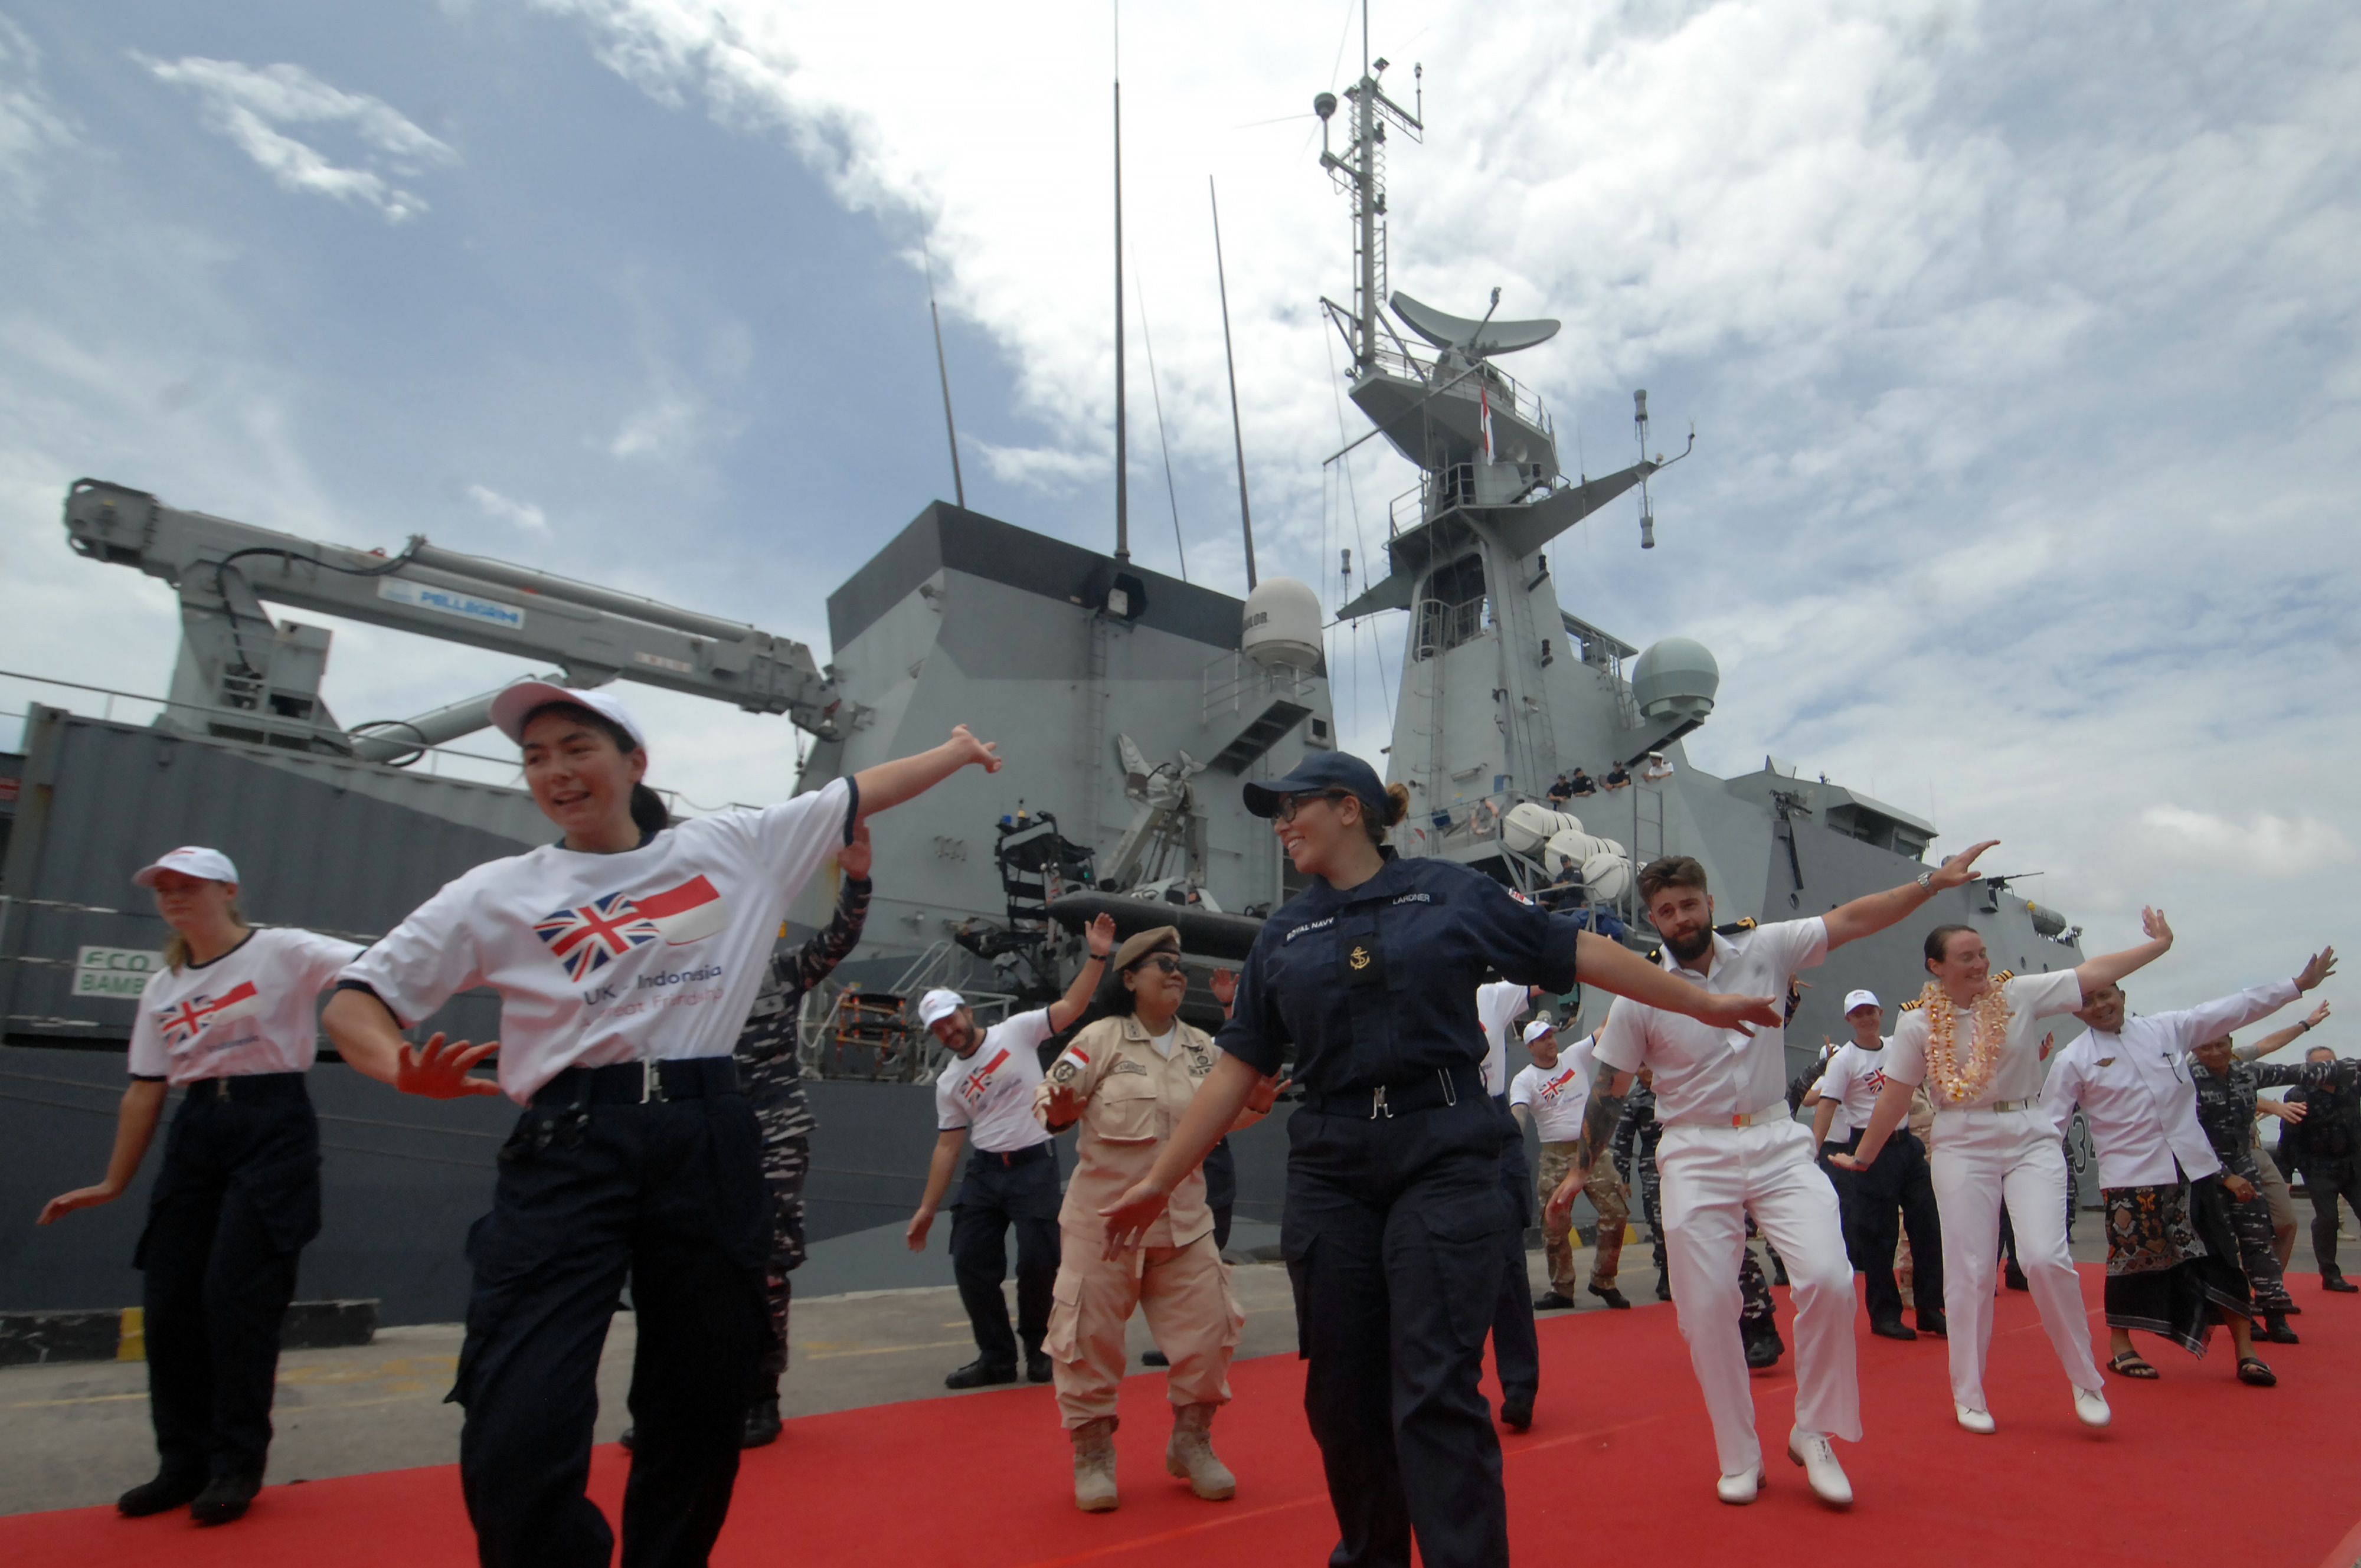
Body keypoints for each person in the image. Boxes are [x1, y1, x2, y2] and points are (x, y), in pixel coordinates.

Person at [322, 682, 999, 1568]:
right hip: (568, 1143)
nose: (556, 771)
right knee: (514, 1416)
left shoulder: (730, 848)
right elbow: (355, 997)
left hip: (706, 1133)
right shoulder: (496, 893)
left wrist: (955, 751)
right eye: (535, 757)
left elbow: (861, 790)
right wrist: (395, 1067)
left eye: (576, 747)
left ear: (635, 761)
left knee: (699, 1402)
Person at [1098, 751, 1781, 1568]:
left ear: (1349, 808)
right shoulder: (1284, 933)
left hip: (1445, 1152)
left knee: (1432, 1388)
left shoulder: (1450, 893)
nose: (1280, 825)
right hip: (1335, 1165)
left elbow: (1576, 954)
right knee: (1343, 1398)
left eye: (1293, 807)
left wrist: (1701, 998)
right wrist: (1156, 1180)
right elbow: (1239, 1066)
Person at [1549, 848, 1999, 1506]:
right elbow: (1610, 1087)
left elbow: (1853, 919)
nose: (1679, 918)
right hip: (1694, 1147)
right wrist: (1579, 1170)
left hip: (1773, 1136)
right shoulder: (1640, 991)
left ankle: (1812, 1430)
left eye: (1688, 904)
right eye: (1665, 911)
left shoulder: (1766, 946)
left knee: (1828, 1277)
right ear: (1653, 918)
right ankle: (1738, 1452)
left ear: (1707, 903)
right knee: (1706, 1309)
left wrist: (1931, 883)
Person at [38, 846, 362, 1526]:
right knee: (171, 1298)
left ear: (228, 889)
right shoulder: (166, 983)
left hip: (271, 1119)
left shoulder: (284, 951)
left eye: (189, 885)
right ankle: (180, 1462)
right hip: (196, 1130)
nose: (175, 896)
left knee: (235, 1297)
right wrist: (111, 1180)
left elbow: (384, 970)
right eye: (165, 888)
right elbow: (143, 1090)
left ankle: (235, 1462)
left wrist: (392, 1045)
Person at [1838, 915, 2183, 1437]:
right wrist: (1864, 1155)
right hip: (1961, 1140)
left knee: (2044, 1257)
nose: (1981, 964)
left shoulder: (2019, 996)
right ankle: (1969, 1392)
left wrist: (2158, 945)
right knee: (1970, 1269)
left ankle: (2086, 1378)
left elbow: (2092, 973)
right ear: (1936, 966)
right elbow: (1897, 1095)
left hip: (2028, 1132)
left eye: (1982, 954)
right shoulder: (1917, 1023)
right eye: (1967, 957)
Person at [1034, 926, 1282, 1511]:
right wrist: (1062, 1110)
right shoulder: (1099, 1039)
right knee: (1085, 1342)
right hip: (1105, 1224)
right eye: (1163, 964)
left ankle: (1191, 1443)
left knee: (1210, 1331)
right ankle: (1093, 1452)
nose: (1177, 972)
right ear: (1129, 978)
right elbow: (1051, 1102)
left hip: (1185, 1221)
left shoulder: (1203, 1046)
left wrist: (1259, 1101)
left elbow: (1219, 1121)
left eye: (1179, 965)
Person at [2038, 942, 2333, 1388]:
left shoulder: (2168, 1030)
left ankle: (2246, 1352)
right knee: (2131, 1263)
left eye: (2106, 995)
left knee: (2223, 1258)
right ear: (2076, 1012)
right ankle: (2122, 1347)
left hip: (2195, 1173)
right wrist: (2034, 1188)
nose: (2100, 1005)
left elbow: (2234, 1009)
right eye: (2088, 1000)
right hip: (2131, 1179)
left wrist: (2296, 986)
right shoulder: (2073, 1060)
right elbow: (2049, 1127)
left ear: (2122, 994)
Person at [906, 914, 1116, 1387]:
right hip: (985, 1172)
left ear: (966, 1011)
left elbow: (1073, 1005)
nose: (948, 1031)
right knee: (969, 1259)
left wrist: (1098, 954)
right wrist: (926, 1209)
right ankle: (996, 1357)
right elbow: (946, 1147)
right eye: (937, 1029)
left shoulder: (1016, 1031)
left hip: (1032, 1164)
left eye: (950, 1020)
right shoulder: (949, 1083)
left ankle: (1040, 1351)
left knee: (1039, 1262)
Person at [728, 825, 873, 1446]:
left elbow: (839, 939)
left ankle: (761, 1394)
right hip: (703, 1130)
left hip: (773, 1125)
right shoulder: (686, 982)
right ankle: (672, 1399)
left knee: (766, 1265)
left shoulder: (781, 972)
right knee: (681, 1265)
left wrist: (857, 878)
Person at [2190, 1007, 2343, 1344]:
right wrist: (2226, 1175)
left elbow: (2291, 1070)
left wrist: (2344, 1064)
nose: (2215, 1052)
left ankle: (2274, 1310)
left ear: (2230, 1042)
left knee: (2259, 1238)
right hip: (2206, 1170)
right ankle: (2237, 1316)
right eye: (2205, 1047)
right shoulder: (2183, 1079)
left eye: (2221, 1045)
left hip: (2246, 1162)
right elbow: (2184, 1135)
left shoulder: (2244, 1068)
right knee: (2222, 1248)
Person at [1810, 991, 1945, 1341]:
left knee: (1928, 1228)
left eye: (1870, 1012)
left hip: (1906, 1145)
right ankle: (1884, 1315)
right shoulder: (1844, 1061)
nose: (1866, 1019)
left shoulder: (1897, 1046)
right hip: (1870, 1152)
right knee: (1879, 1236)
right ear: (1849, 1021)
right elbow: (1826, 1105)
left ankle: (1931, 1308)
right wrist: (1812, 1152)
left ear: (1881, 1013)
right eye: (1858, 1015)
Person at [1474, 978, 1544, 1428]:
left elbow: (1550, 965)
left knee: (1506, 1270)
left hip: (1490, 1124)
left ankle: (1519, 1387)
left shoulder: (1490, 996)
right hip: (1434, 1124)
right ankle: (1453, 1386)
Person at [1512, 1019, 1593, 1311]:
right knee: (1553, 1222)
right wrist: (1511, 1137)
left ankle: (1604, 1280)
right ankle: (1562, 1289)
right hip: (1555, 1153)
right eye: (1542, 1039)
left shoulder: (1575, 1055)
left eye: (1551, 1036)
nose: (1550, 1041)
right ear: (1530, 1046)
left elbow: (1604, 1030)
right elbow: (1518, 1112)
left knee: (1617, 1211)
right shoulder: (1525, 1079)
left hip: (1591, 1147)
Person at [2285, 1040, 2361, 1290]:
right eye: (2321, 1065)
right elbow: (2289, 1139)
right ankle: (2331, 1274)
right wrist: (2286, 1175)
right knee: (2328, 1218)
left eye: (2333, 1063)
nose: (2329, 1070)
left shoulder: (2351, 1086)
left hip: (2352, 1163)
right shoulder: (2298, 1095)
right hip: (2318, 1166)